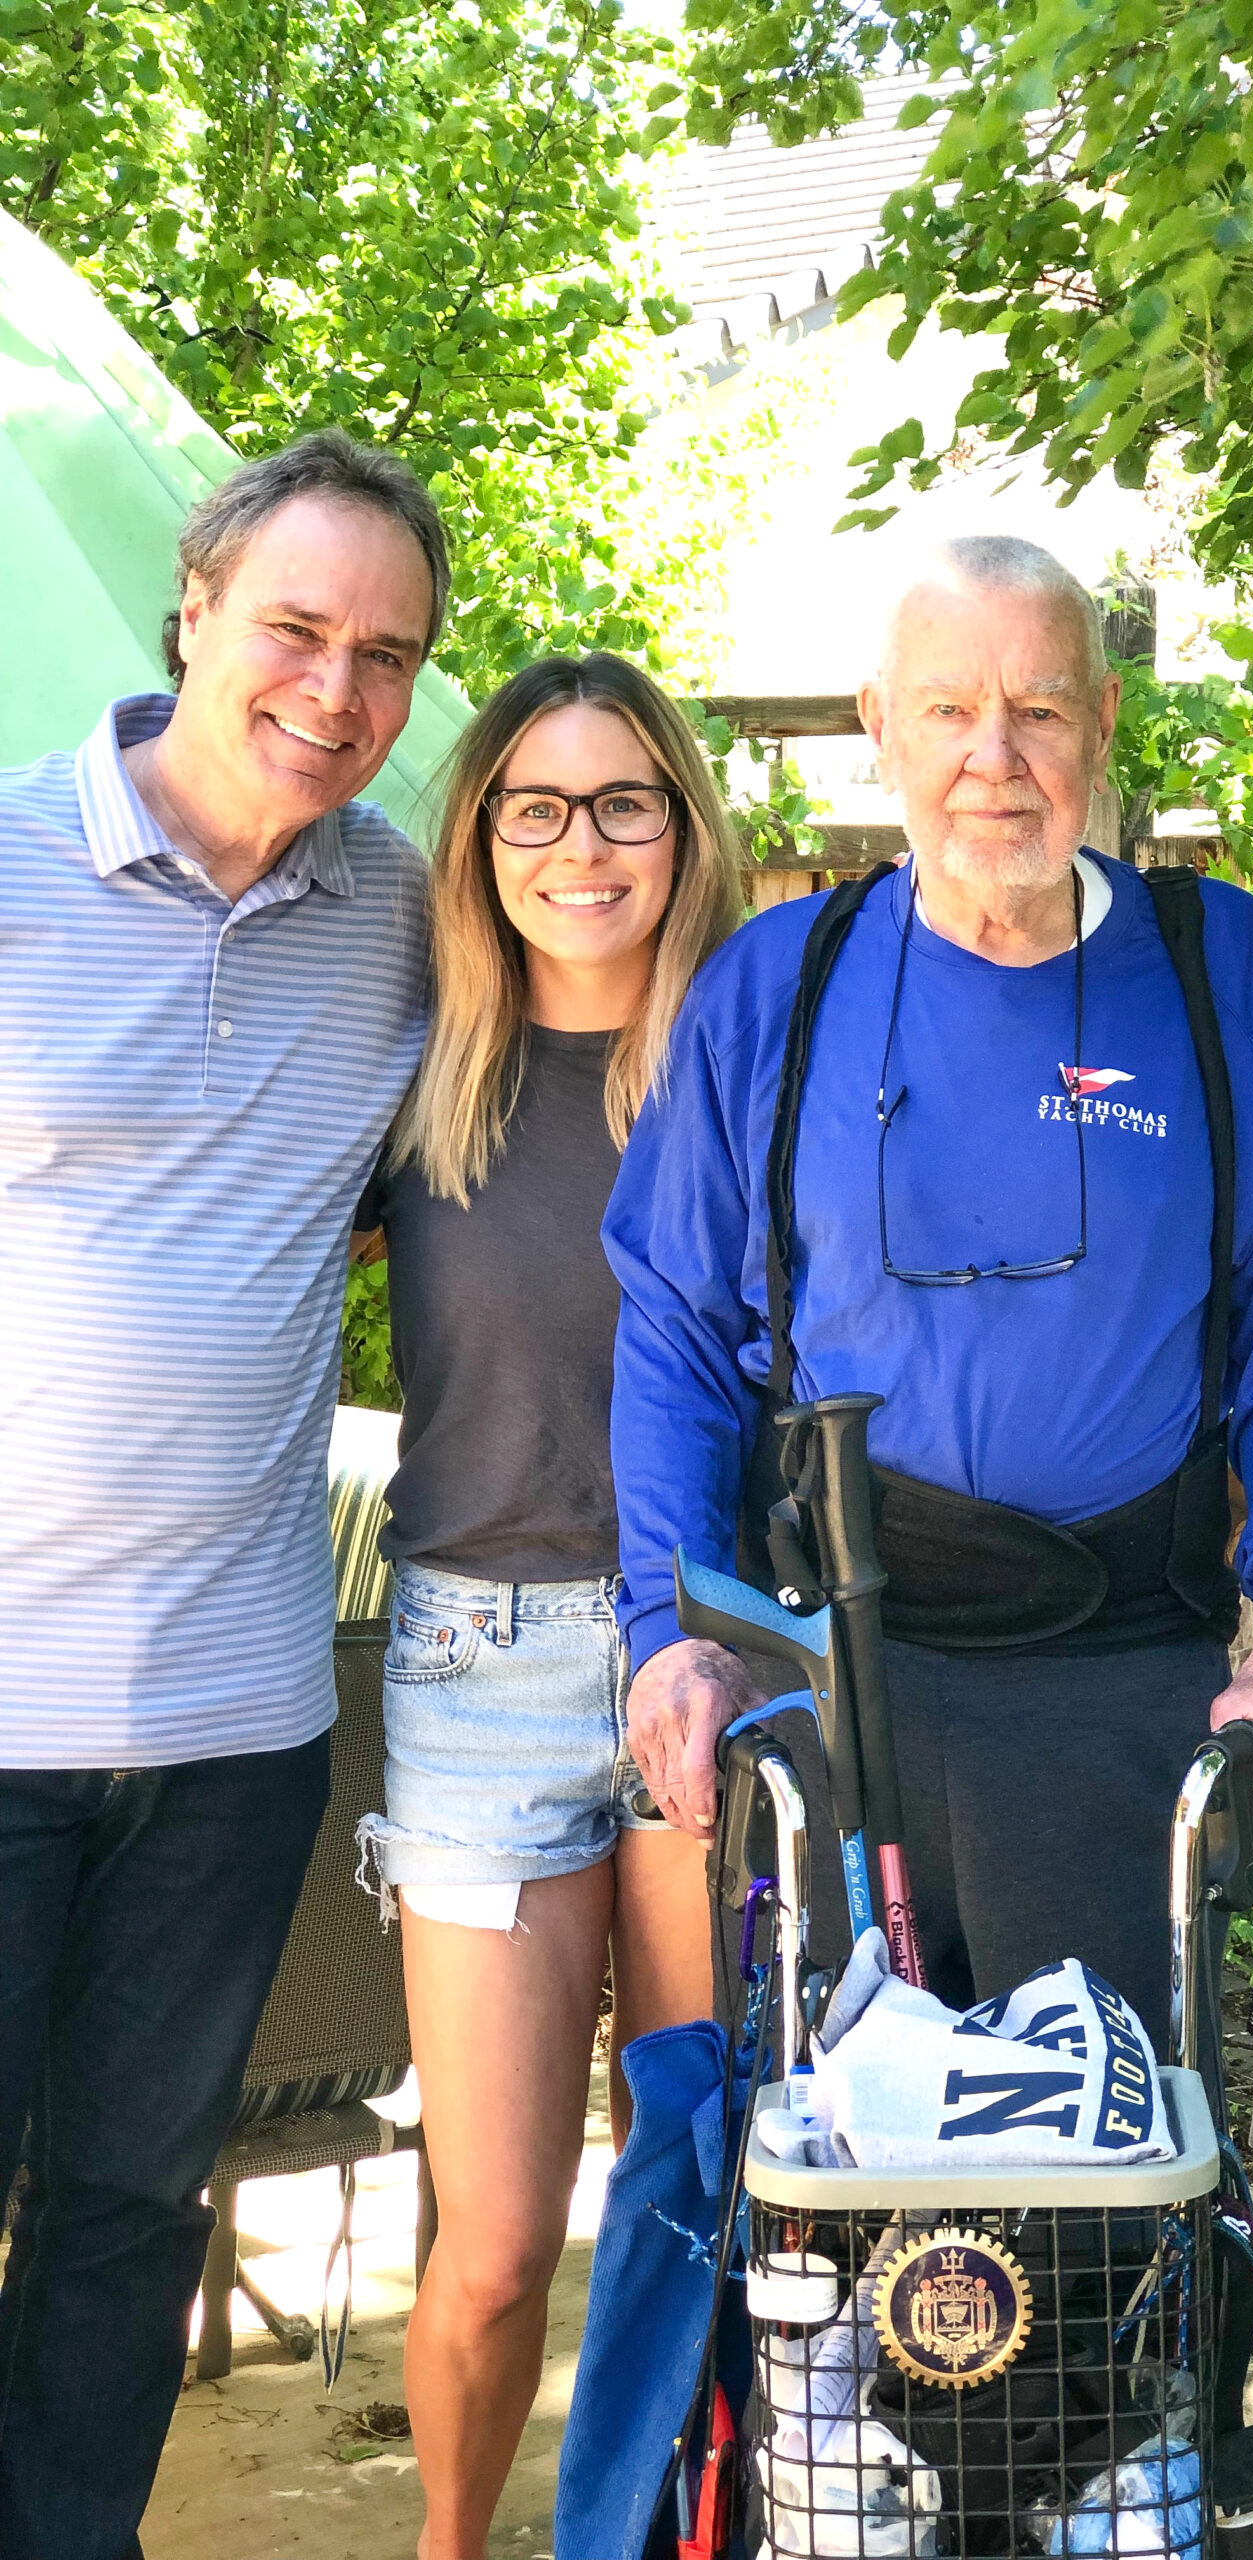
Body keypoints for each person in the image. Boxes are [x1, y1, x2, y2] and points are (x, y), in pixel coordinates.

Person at [602, 535, 1253, 2046]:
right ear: (876, 723)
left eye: (1038, 709)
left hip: (1119, 1681)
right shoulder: (776, 986)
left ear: (1101, 724)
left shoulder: (1220, 969)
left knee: (1110, 2209)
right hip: (831, 1683)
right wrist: (663, 1627)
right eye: (950, 709)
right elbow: (675, 1340)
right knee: (839, 2229)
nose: (995, 756)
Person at [0, 429, 448, 2560]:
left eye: (387, 654)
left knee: (120, 2210)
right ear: (192, 607)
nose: (335, 689)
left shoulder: (403, 919)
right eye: (296, 626)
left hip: (231, 1727)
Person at [351, 654, 739, 2560]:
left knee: (686, 2195)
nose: (580, 848)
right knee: (495, 2246)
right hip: (478, 1665)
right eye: (535, 808)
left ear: (682, 824)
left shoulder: (759, 1064)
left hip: (712, 1671)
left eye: (622, 805)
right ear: (482, 836)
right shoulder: (413, 1066)